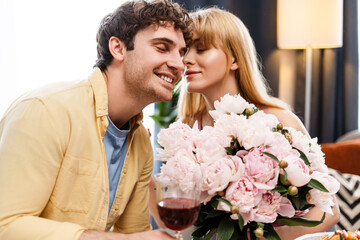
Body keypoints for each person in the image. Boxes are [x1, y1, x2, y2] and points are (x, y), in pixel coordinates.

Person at [0, 0, 192, 239]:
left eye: (181, 53)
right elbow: (6, 226)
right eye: (163, 48)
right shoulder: (45, 111)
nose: (178, 64)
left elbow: (135, 233)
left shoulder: (141, 142)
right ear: (118, 48)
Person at [176, 7, 340, 240]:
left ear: (234, 59)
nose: (186, 59)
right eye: (184, 50)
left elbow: (330, 211)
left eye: (201, 49)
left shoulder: (280, 120)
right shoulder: (187, 128)